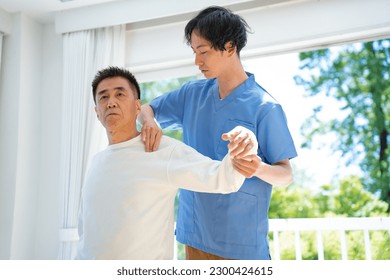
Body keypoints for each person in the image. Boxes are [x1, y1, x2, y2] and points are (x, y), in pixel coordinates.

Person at [139, 6, 298, 260]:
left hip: (241, 244)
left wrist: (256, 167)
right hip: (195, 235)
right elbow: (147, 109)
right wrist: (148, 121)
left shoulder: (265, 107)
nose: (197, 61)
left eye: (203, 52)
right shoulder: (192, 94)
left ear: (230, 47)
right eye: (194, 52)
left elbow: (285, 174)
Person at [75, 66, 258, 260]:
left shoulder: (162, 151)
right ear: (97, 112)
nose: (111, 102)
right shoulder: (96, 162)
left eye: (120, 94)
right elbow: (84, 232)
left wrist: (246, 140)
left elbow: (225, 179)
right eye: (103, 97)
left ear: (138, 107)